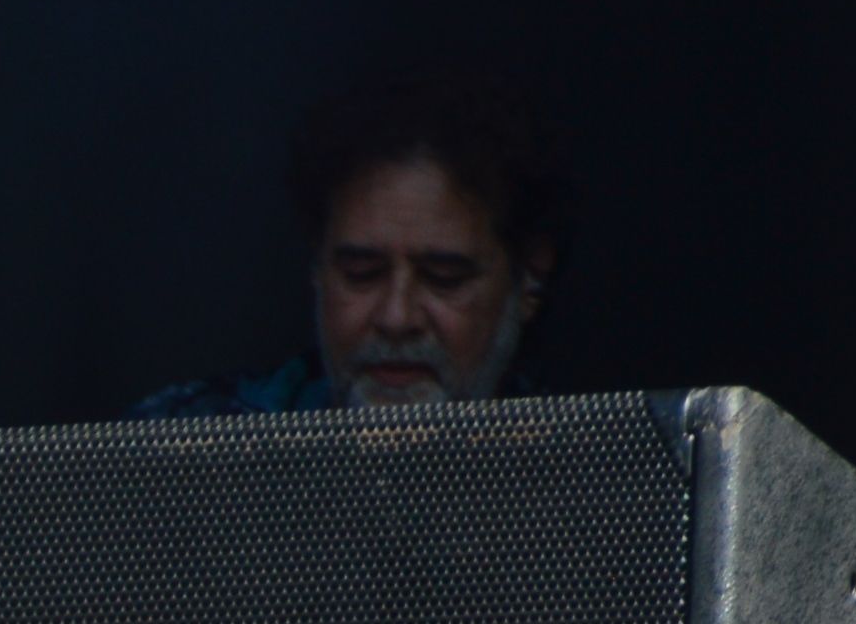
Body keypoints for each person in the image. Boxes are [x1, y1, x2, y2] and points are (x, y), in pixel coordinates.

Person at [134, 69, 564, 416]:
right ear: (317, 269)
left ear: (528, 278)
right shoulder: (186, 451)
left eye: (443, 279)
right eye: (362, 275)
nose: (397, 318)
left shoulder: (586, 478)